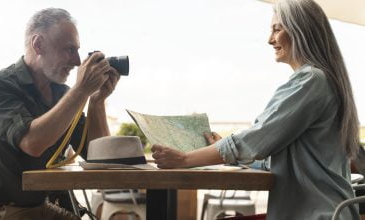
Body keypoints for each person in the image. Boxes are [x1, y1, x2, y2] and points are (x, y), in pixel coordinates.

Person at [151, 0, 360, 219]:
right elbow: (276, 158)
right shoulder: (322, 81)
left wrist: (184, 159)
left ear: (301, 31)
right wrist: (227, 151)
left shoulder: (310, 81)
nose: (270, 40)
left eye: (277, 29)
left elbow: (254, 141)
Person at [0, 8, 119, 220]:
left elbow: (100, 157)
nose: (78, 61)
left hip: (42, 207)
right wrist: (80, 91)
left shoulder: (63, 94)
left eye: (77, 50)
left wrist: (96, 102)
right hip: (3, 211)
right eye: (69, 50)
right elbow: (32, 143)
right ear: (38, 44)